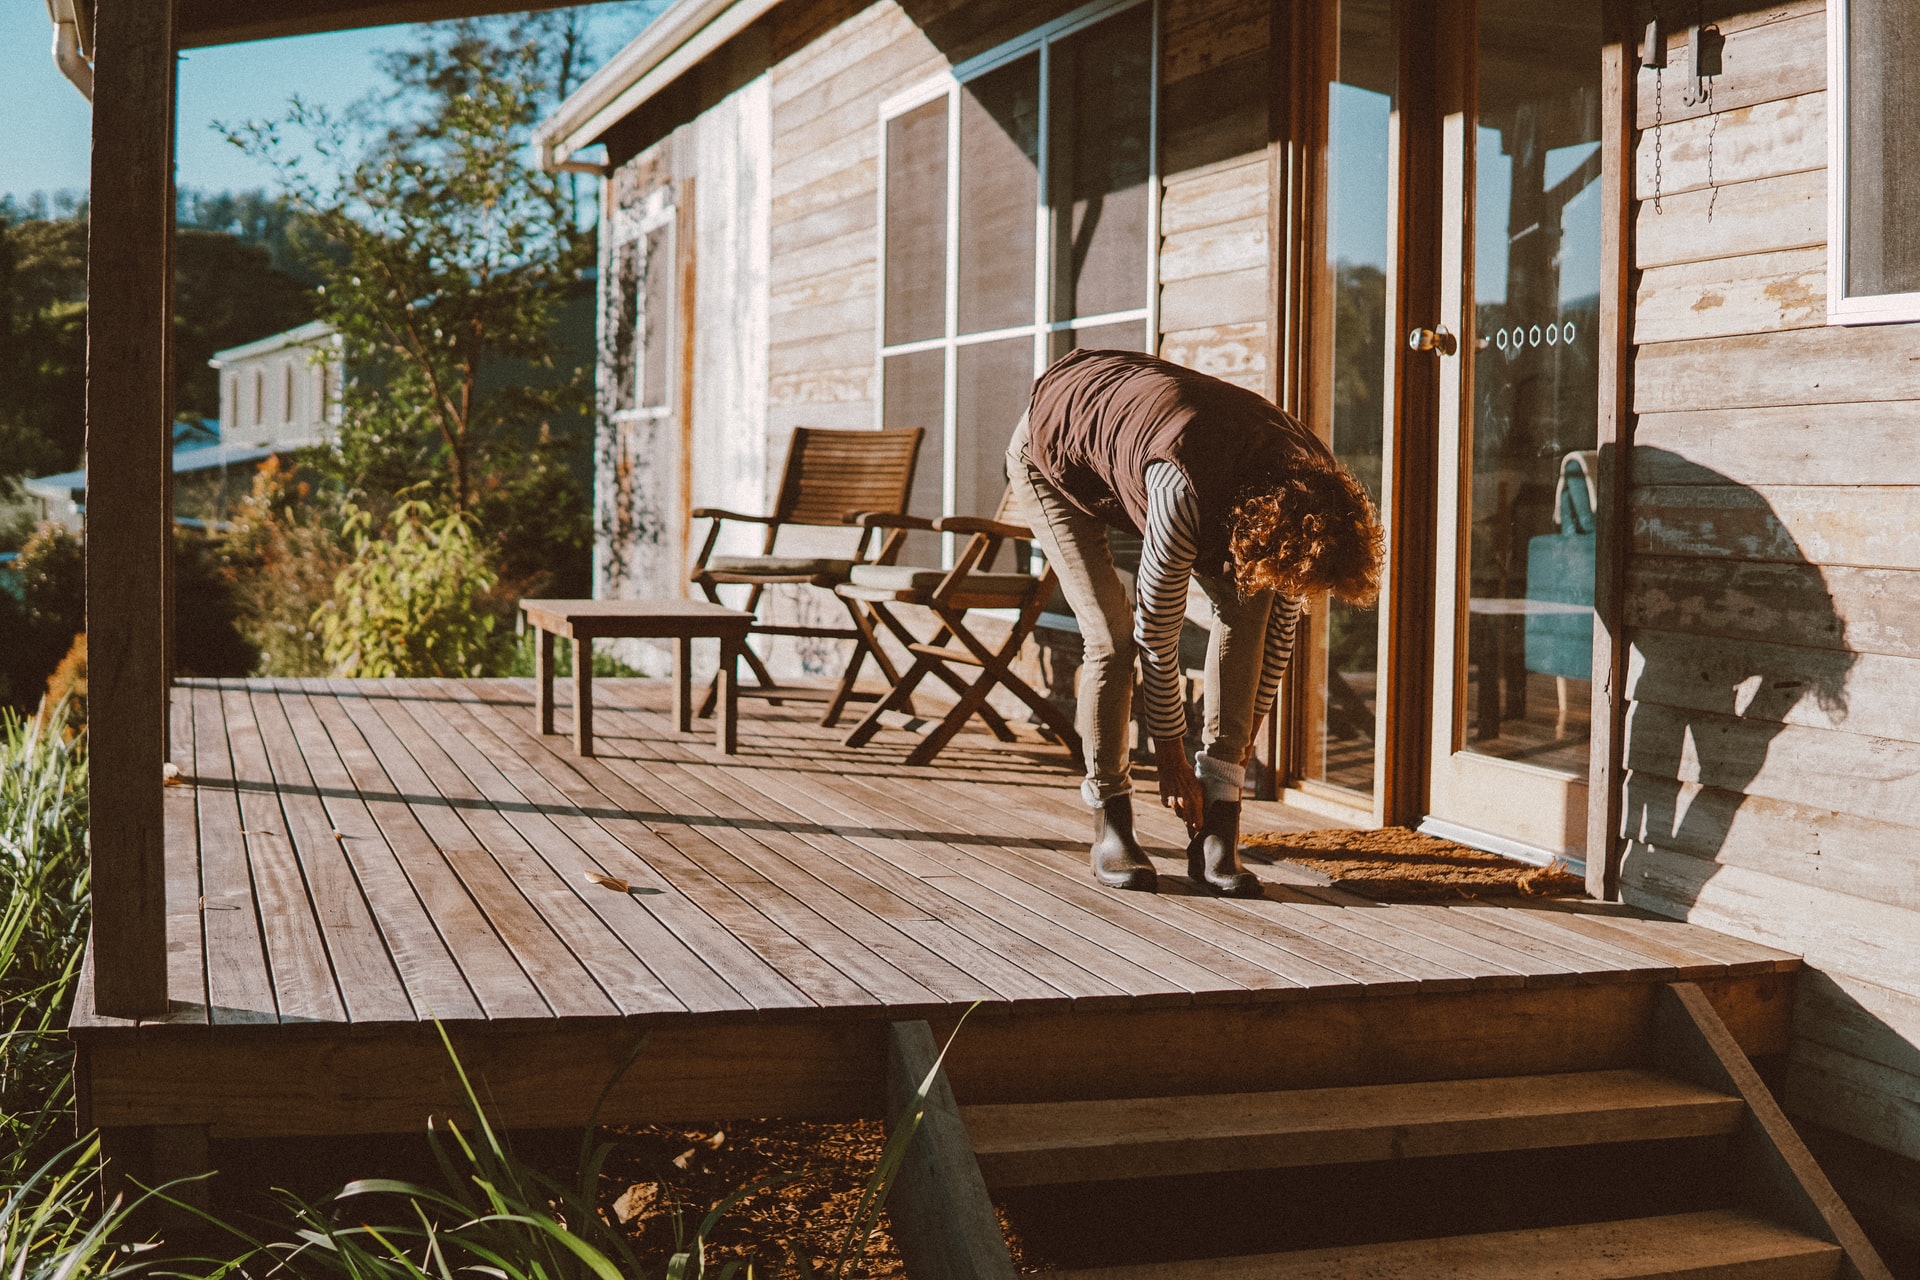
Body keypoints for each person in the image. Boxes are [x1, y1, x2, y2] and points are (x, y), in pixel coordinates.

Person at [1007, 349, 1383, 895]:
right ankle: (1110, 819)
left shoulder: (1314, 489)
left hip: (1169, 458)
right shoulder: (1183, 491)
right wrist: (1172, 758)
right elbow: (1157, 637)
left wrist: (1235, 753)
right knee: (1112, 641)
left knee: (1250, 610)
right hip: (1054, 449)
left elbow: (1279, 634)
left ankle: (1218, 833)